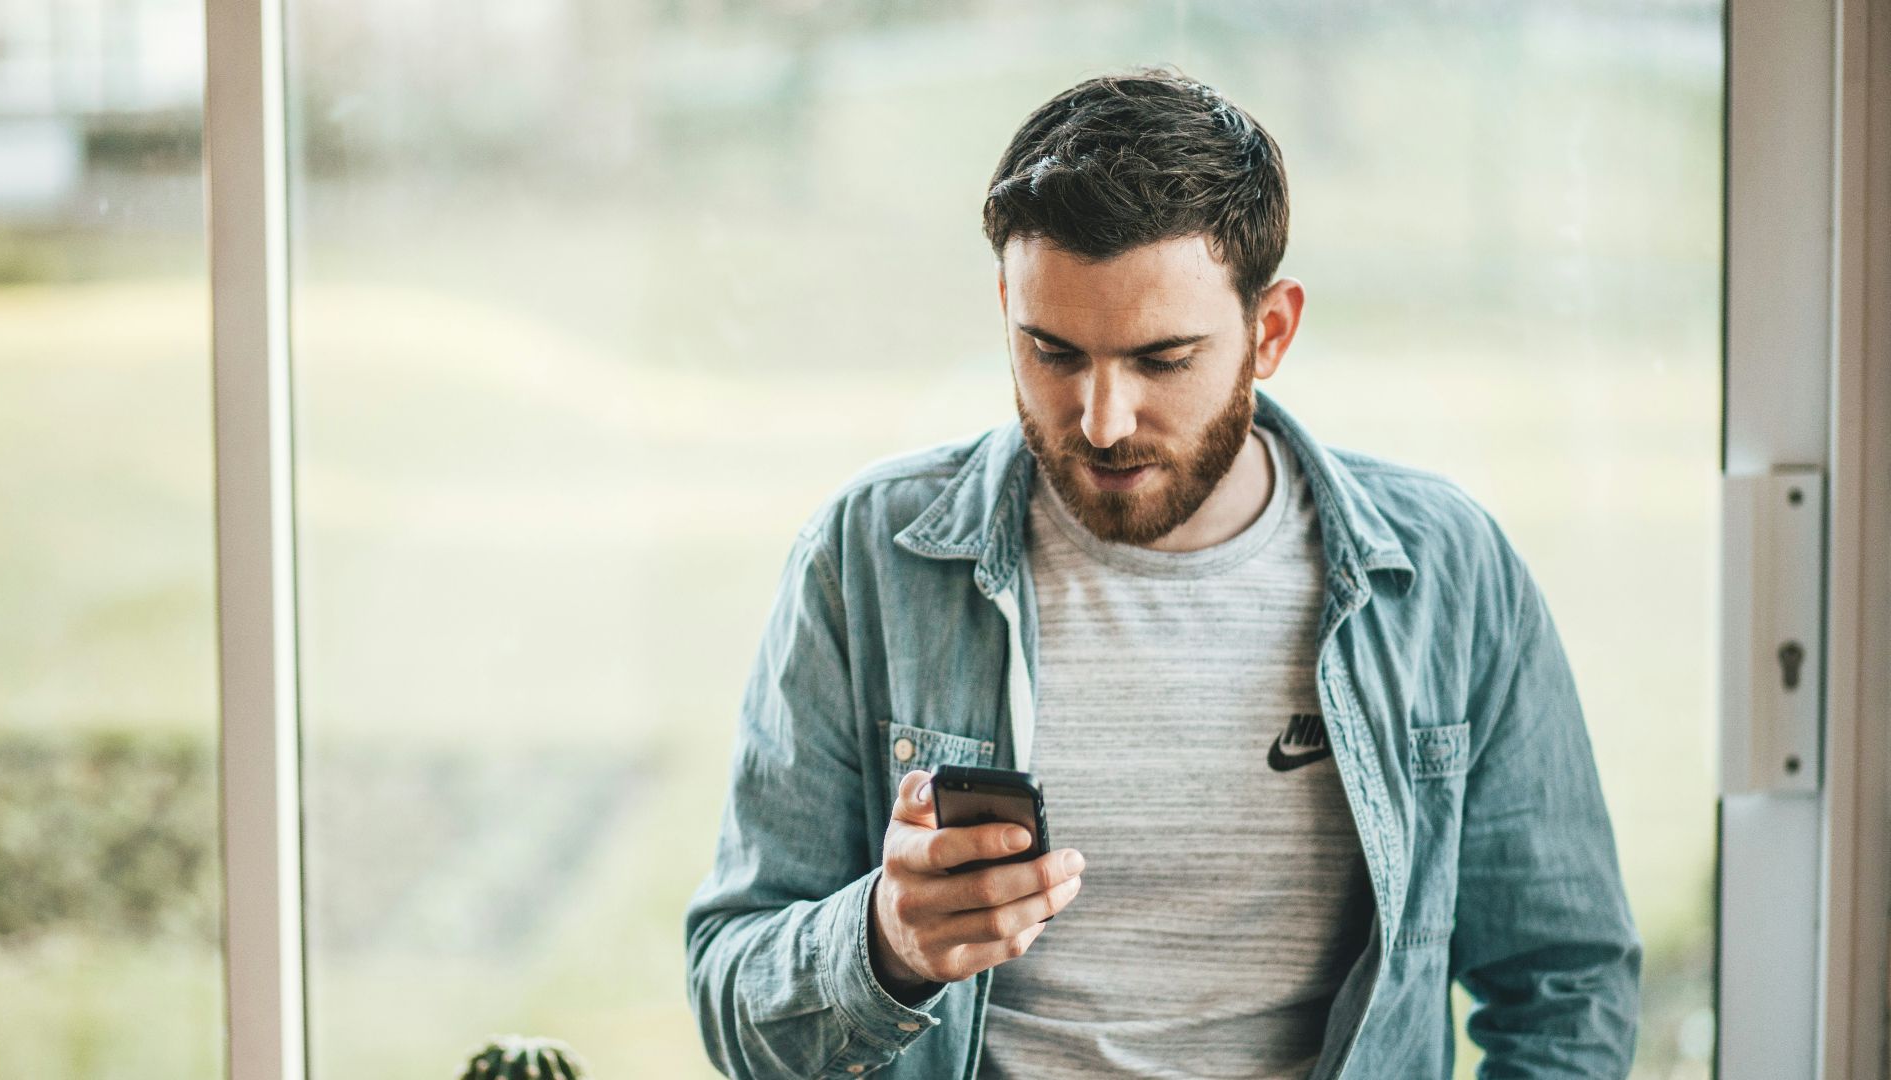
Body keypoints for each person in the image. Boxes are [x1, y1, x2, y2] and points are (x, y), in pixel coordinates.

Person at [684, 66, 1640, 1079]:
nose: (1100, 420)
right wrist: (886, 944)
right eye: (1051, 352)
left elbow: (1565, 986)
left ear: (1270, 332)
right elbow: (732, 995)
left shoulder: (1448, 574)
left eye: (1162, 360)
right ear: (1005, 303)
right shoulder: (868, 559)